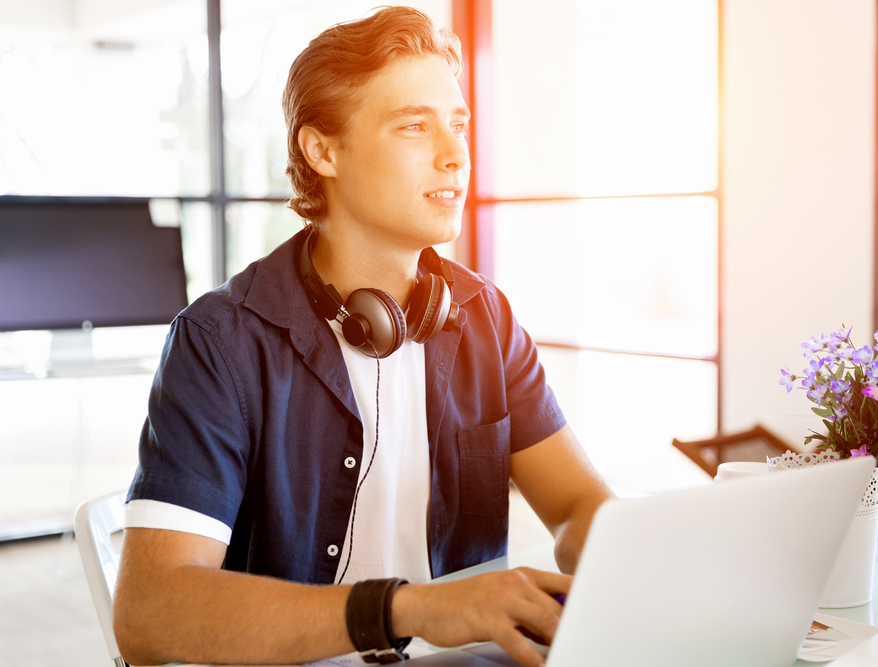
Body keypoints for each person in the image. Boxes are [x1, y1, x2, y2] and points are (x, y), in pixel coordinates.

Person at [112, 7, 613, 667]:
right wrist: (406, 607)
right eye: (414, 125)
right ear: (324, 151)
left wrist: (623, 567)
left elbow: (579, 505)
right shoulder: (220, 341)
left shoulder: (485, 316)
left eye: (458, 124)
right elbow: (151, 611)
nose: (455, 152)